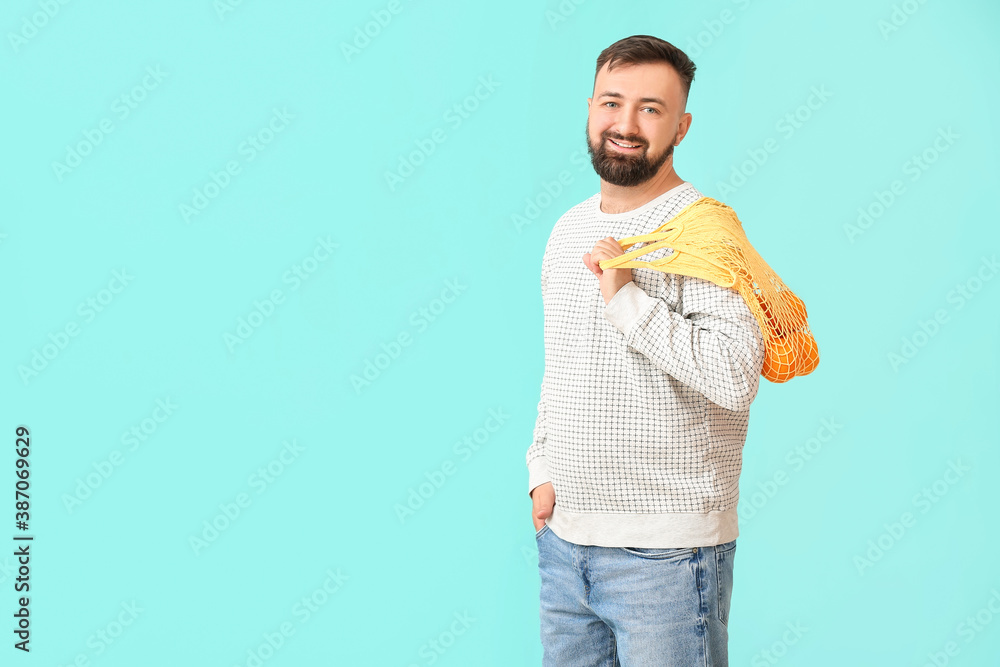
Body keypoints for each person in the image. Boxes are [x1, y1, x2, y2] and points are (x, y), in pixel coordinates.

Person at [526, 34, 766, 666]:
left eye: (651, 109)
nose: (625, 125)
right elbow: (564, 366)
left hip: (668, 555)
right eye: (612, 102)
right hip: (566, 545)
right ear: (589, 108)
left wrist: (627, 299)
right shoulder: (568, 230)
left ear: (681, 127)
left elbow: (735, 374)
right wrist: (540, 470)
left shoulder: (706, 232)